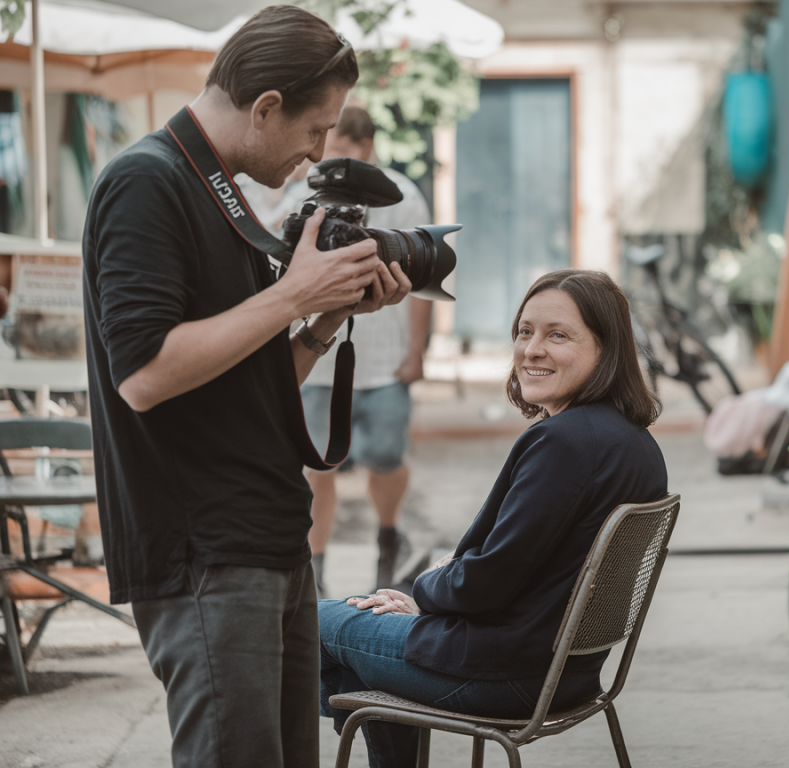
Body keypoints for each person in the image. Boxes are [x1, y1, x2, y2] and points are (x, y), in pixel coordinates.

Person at [81, 7, 411, 768]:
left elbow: (248, 383)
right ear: (266, 107)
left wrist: (324, 321)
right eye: (315, 129)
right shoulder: (147, 182)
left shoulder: (220, 193)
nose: (318, 152)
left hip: (267, 537)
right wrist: (293, 295)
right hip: (205, 550)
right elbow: (145, 375)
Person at [319, 269, 668, 767]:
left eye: (558, 335)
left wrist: (425, 592)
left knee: (313, 622)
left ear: (606, 347)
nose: (532, 349)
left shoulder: (564, 443)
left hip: (504, 674)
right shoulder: (636, 443)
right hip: (570, 672)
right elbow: (518, 574)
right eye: (525, 331)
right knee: (357, 649)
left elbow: (487, 581)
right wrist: (439, 600)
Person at [302, 106, 434, 595]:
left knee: (385, 456)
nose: (335, 161)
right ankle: (315, 568)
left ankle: (388, 536)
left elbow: (423, 280)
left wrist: (416, 351)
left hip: (384, 360)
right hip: (317, 361)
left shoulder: (403, 196)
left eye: (344, 151)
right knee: (318, 468)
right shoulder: (305, 193)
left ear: (367, 149)